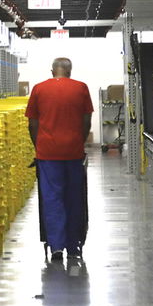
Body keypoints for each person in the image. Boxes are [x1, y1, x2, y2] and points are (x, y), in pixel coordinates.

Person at [26, 57, 94, 264]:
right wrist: (78, 142)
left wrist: (39, 146)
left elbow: (32, 123)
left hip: (48, 154)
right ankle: (74, 246)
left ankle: (56, 247)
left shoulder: (39, 89)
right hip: (73, 152)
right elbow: (86, 121)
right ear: (70, 71)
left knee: (52, 199)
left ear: (51, 70)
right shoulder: (81, 88)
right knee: (74, 197)